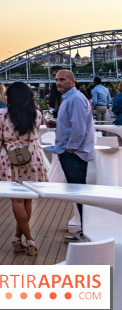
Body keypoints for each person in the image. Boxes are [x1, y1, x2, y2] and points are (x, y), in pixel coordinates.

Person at [0, 82, 47, 256]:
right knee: (27, 200)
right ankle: (16, 238)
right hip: (32, 156)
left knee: (17, 201)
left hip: (10, 157)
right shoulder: (36, 114)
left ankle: (29, 239)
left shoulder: (1, 114)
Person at [51, 70, 95, 242]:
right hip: (71, 152)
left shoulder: (75, 99)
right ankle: (84, 230)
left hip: (74, 154)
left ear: (72, 82)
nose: (58, 83)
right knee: (78, 193)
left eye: (62, 79)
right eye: (56, 80)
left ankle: (86, 232)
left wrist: (71, 148)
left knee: (79, 192)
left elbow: (78, 127)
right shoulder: (70, 99)